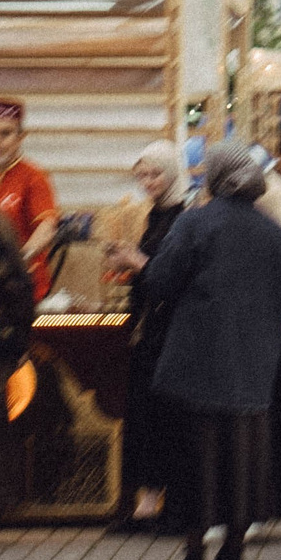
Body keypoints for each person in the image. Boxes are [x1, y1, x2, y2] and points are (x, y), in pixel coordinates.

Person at [144, 142, 281, 560]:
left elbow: (160, 279)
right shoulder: (275, 235)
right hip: (253, 363)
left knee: (194, 457)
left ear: (214, 180)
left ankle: (193, 554)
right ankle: (233, 553)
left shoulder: (195, 223)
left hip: (196, 359)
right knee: (243, 459)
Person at [100, 141, 187, 529]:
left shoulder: (183, 216)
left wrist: (135, 260)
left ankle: (161, 503)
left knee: (163, 418)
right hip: (150, 329)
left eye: (156, 174)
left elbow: (173, 273)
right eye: (143, 176)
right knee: (145, 417)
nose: (149, 182)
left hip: (170, 334)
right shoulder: (157, 215)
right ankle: (148, 501)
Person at [0, 98, 60, 300]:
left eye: (5, 134)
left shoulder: (33, 177)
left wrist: (17, 261)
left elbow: (47, 226)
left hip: (22, 287)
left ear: (21, 137)